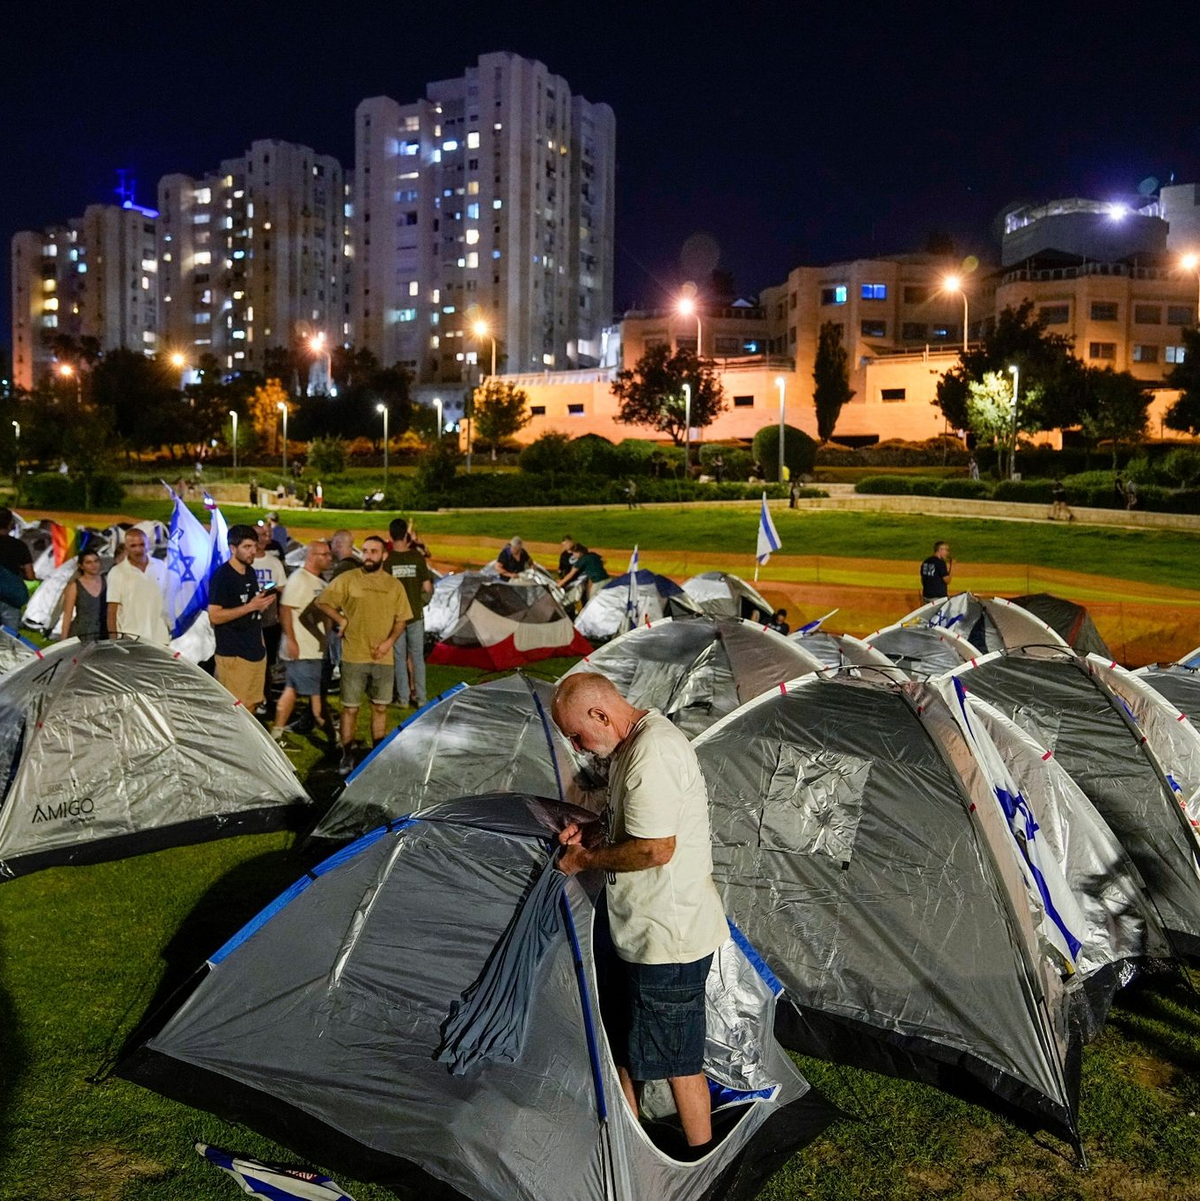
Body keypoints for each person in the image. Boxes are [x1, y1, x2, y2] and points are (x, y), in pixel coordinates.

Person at [551, 673, 727, 1151]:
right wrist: (593, 836)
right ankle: (635, 1145)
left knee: (677, 1060)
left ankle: (700, 1161)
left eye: (576, 734)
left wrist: (584, 861)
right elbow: (634, 828)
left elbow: (654, 849)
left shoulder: (654, 752)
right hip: (636, 930)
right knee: (628, 1042)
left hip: (667, 937)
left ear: (601, 715)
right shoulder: (630, 744)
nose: (577, 746)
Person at [317, 535, 413, 775]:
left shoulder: (394, 585)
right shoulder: (348, 580)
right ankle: (347, 755)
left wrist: (388, 642)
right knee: (350, 709)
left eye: (374, 551)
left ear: (384, 555)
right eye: (366, 551)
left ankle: (376, 756)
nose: (368, 555)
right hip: (354, 656)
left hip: (384, 657)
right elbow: (323, 602)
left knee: (380, 708)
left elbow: (402, 620)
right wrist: (341, 620)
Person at [272, 540, 335, 747]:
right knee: (301, 696)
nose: (329, 558)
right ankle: (277, 736)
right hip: (302, 650)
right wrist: (291, 640)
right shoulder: (299, 579)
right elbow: (286, 609)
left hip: (314, 651)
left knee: (302, 693)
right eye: (324, 554)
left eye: (329, 554)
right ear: (311, 556)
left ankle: (335, 739)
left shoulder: (320, 583)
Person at [208, 525, 275, 710]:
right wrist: (250, 606)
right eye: (247, 547)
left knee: (253, 704)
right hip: (234, 654)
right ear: (232, 548)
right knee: (236, 711)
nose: (253, 551)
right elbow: (214, 616)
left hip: (255, 651)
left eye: (254, 546)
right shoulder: (223, 577)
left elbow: (251, 611)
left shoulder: (250, 572)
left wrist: (259, 605)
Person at [386, 518, 434, 708]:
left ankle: (403, 699)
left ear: (390, 535)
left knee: (399, 657)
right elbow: (427, 587)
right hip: (415, 615)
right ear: (406, 534)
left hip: (396, 617)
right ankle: (422, 699)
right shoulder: (417, 557)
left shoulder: (387, 560)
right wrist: (420, 603)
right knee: (417, 658)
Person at [106, 529, 170, 644]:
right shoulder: (117, 572)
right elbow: (112, 609)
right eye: (133, 546)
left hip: (160, 636)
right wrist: (113, 640)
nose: (138, 550)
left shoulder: (160, 566)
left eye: (142, 545)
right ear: (126, 548)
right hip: (131, 637)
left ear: (147, 545)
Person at [253, 524, 288, 679]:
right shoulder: (244, 562)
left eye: (266, 534)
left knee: (268, 661)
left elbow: (282, 590)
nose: (264, 538)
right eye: (259, 535)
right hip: (249, 621)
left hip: (269, 621)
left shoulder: (274, 562)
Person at [61, 548, 107, 640]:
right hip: (82, 633)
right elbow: (67, 615)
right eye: (88, 562)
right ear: (81, 566)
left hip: (103, 633)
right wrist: (63, 641)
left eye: (96, 561)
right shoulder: (75, 586)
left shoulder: (106, 581)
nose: (93, 565)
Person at [0, 508, 34, 631]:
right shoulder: (19, 546)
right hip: (11, 598)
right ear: (11, 524)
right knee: (9, 640)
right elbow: (30, 575)